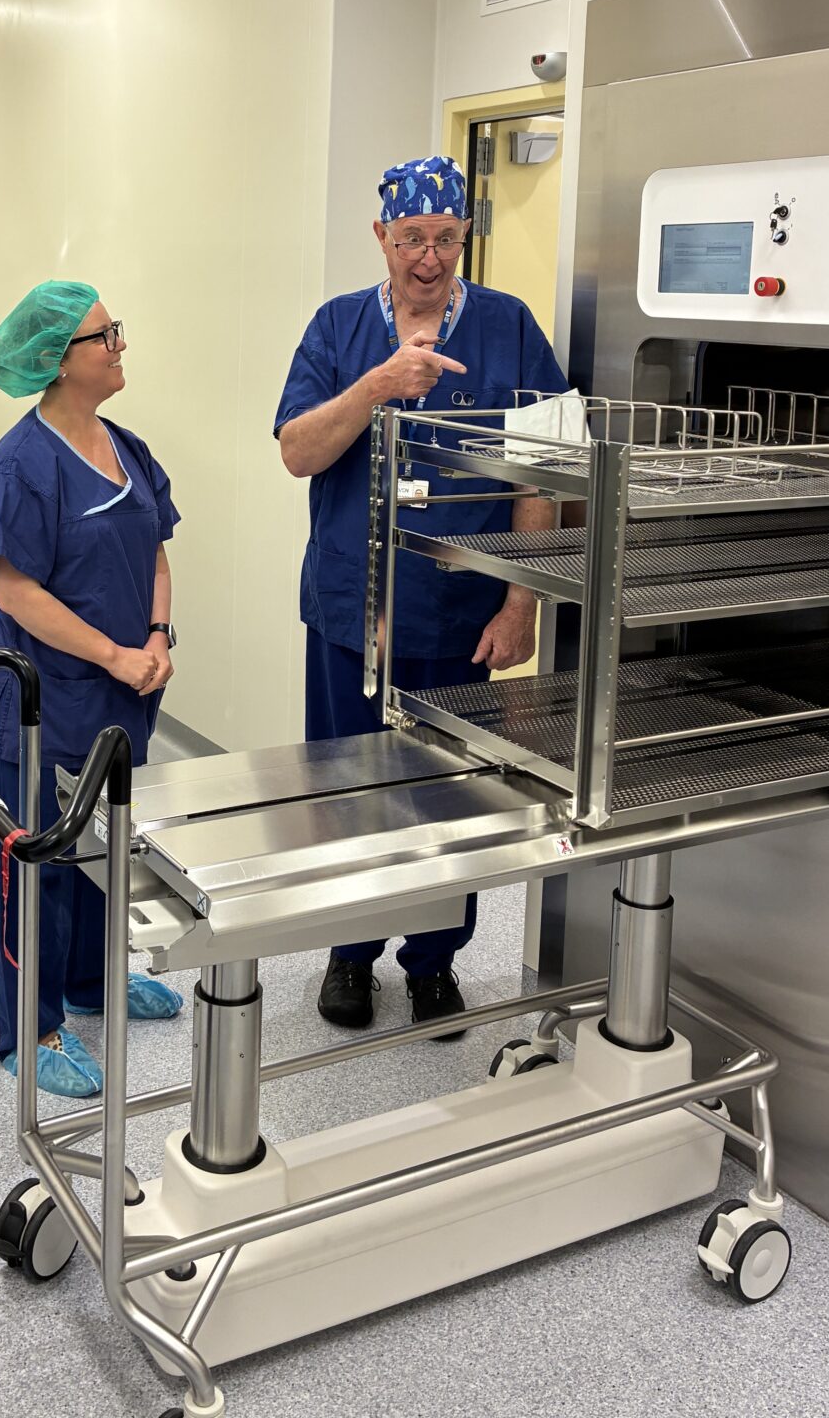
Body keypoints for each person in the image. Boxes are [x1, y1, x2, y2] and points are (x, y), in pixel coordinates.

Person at [275, 155, 566, 1036]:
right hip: (350, 610)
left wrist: (524, 601)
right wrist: (376, 386)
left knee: (453, 794)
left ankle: (434, 961)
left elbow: (544, 468)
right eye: (411, 241)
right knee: (348, 789)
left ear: (463, 237)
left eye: (443, 239)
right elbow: (297, 451)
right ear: (382, 239)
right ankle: (350, 955)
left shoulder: (510, 327)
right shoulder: (336, 329)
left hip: (464, 614)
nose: (428, 259)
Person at [0, 281, 184, 1098]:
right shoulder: (21, 465)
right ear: (57, 363)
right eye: (105, 336)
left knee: (104, 854)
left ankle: (97, 981)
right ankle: (29, 1029)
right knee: (39, 869)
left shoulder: (123, 444)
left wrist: (157, 637)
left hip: (120, 699)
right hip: (44, 703)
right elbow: (17, 592)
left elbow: (157, 548)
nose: (119, 346)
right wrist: (114, 654)